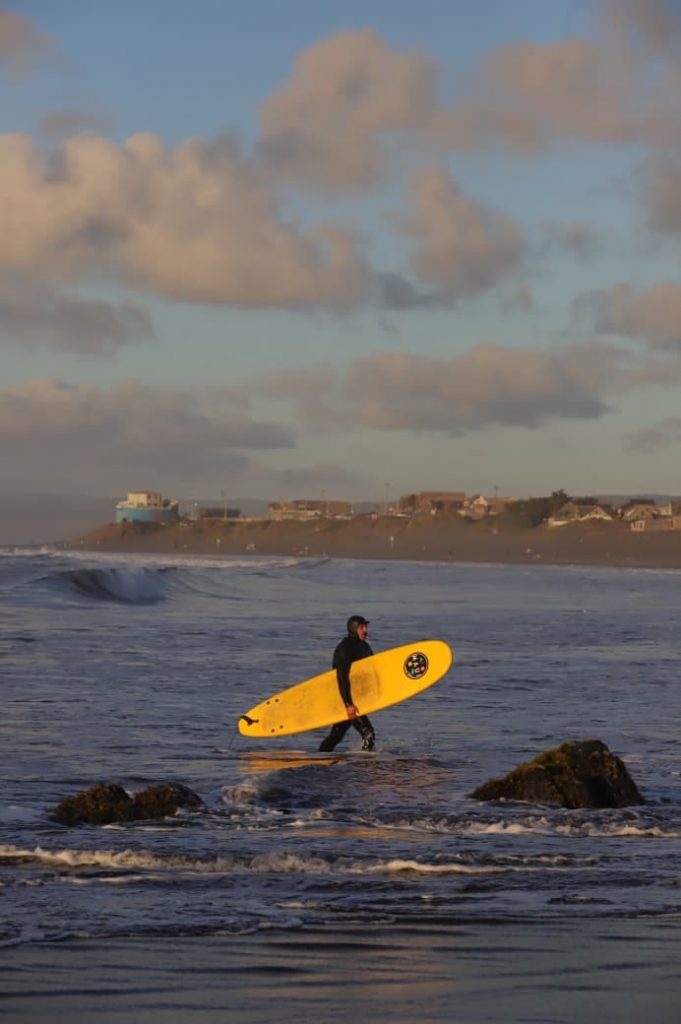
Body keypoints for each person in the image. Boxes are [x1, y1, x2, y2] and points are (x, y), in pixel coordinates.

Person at [318, 615, 376, 752]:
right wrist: (348, 704)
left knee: (336, 736)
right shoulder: (344, 649)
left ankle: (320, 758)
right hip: (346, 700)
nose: (366, 630)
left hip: (357, 698)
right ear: (354, 628)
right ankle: (364, 763)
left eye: (366, 627)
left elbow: (373, 670)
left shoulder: (365, 647)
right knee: (368, 733)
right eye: (362, 627)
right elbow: (341, 677)